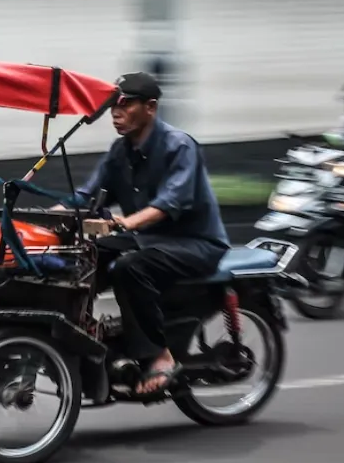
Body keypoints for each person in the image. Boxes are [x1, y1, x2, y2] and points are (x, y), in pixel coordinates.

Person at [70, 72, 230, 396]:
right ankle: (84, 330)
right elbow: (86, 196)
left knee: (130, 268)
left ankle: (159, 355)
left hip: (194, 243)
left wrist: (126, 223)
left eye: (125, 105)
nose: (115, 113)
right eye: (113, 106)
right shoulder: (120, 151)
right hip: (149, 240)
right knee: (84, 256)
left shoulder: (180, 146)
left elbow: (170, 202)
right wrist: (45, 217)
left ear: (151, 107)